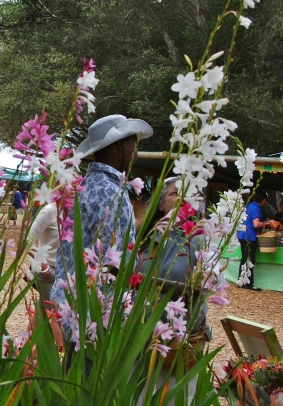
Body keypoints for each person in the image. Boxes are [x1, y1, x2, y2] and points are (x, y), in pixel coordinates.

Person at [50, 114, 152, 337]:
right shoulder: (111, 192)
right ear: (119, 146)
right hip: (94, 318)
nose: (135, 150)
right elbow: (115, 262)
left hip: (70, 306)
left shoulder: (86, 185)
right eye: (132, 142)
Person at [137, 177, 210, 402]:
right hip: (140, 342)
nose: (183, 199)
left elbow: (198, 291)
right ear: (160, 205)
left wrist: (144, 281)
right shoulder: (144, 238)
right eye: (175, 193)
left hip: (178, 345)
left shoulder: (200, 241)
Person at [238, 191, 274, 290]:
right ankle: (248, 283)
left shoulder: (249, 205)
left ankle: (241, 281)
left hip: (242, 234)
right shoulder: (256, 208)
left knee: (244, 258)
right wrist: (267, 224)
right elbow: (256, 224)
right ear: (263, 200)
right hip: (249, 236)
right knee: (250, 259)